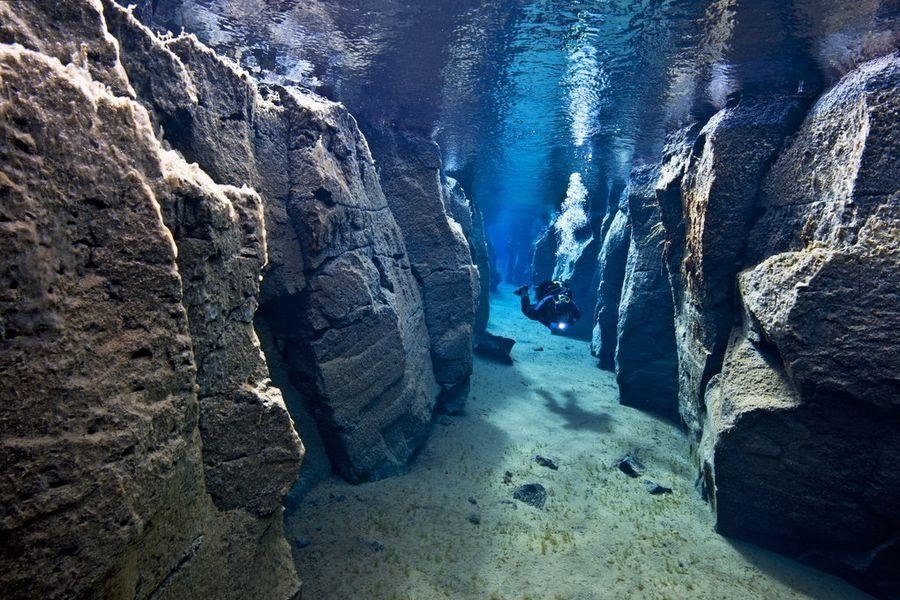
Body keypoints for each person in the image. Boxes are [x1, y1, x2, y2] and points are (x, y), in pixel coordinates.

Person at [513, 280, 582, 333]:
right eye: (562, 298)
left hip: (551, 301)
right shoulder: (548, 300)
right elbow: (536, 313)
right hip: (543, 291)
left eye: (566, 299)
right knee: (526, 310)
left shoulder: (570, 304)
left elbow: (578, 315)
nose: (564, 300)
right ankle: (523, 292)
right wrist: (548, 324)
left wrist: (569, 324)